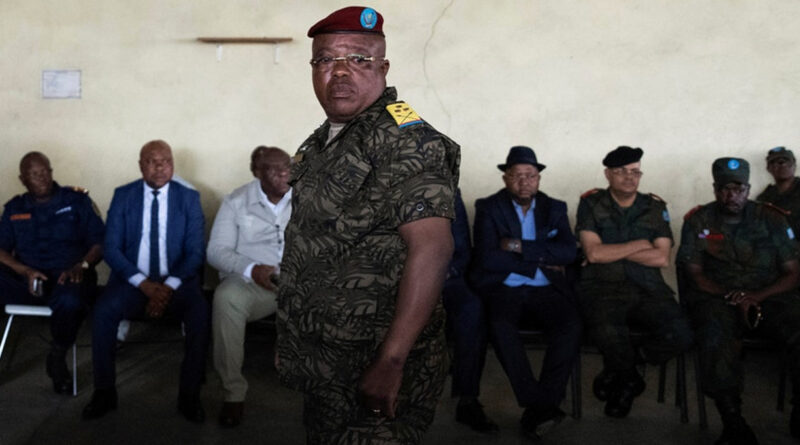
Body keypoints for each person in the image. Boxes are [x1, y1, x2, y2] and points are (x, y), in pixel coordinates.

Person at [275, 6, 460, 444]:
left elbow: (432, 248)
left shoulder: (406, 138)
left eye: (357, 58)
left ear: (383, 67)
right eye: (325, 60)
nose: (339, 72)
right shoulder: (324, 137)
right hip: (326, 360)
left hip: (375, 361)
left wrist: (392, 362)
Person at [82, 140, 209, 423]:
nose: (161, 166)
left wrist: (167, 287)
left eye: (166, 160)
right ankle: (104, 392)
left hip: (176, 283)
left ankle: (189, 396)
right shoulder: (123, 195)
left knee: (200, 313)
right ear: (141, 166)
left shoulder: (188, 198)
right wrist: (144, 284)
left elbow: (195, 252)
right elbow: (112, 249)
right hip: (132, 282)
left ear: (173, 164)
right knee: (103, 312)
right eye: (152, 161)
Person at [678, 157, 800, 444]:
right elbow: (694, 274)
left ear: (748, 188)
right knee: (714, 336)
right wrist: (731, 295)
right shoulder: (699, 219)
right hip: (719, 296)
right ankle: (732, 419)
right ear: (714, 188)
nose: (731, 195)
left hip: (769, 295)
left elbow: (794, 273)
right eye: (723, 189)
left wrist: (755, 296)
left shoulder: (772, 218)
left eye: (738, 189)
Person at [471, 146, 582, 440]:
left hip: (545, 288)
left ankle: (538, 408)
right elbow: (488, 258)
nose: (524, 182)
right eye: (517, 176)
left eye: (530, 176)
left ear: (539, 179)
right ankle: (539, 404)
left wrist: (518, 246)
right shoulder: (488, 207)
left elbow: (569, 252)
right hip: (505, 286)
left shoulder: (554, 208)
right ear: (506, 178)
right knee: (500, 326)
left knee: (570, 326)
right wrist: (543, 258)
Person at [575, 146, 693, 418]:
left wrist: (613, 250)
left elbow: (662, 258)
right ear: (608, 174)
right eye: (621, 172)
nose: (629, 178)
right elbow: (593, 252)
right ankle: (629, 383)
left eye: (635, 172)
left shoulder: (654, 207)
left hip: (648, 289)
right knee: (606, 331)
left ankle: (627, 367)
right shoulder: (592, 204)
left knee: (683, 335)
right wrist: (640, 244)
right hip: (603, 288)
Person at [0, 152, 104, 394]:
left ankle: (57, 356)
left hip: (69, 276)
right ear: (22, 179)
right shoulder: (15, 207)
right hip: (28, 280)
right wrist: (23, 270)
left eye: (46, 171)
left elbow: (100, 242)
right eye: (34, 175)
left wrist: (83, 264)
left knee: (71, 300)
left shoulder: (76, 201)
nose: (42, 178)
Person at [207, 146, 292, 427]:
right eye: (273, 169)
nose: (283, 174)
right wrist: (252, 269)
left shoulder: (307, 197)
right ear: (257, 173)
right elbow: (216, 251)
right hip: (255, 285)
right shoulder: (236, 201)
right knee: (226, 298)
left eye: (287, 167)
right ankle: (233, 394)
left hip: (299, 282)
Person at [442, 188, 497, 433]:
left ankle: (467, 399)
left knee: (472, 310)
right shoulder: (380, 184)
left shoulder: (448, 191)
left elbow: (462, 246)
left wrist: (447, 271)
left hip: (444, 278)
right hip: (395, 280)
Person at [756, 146, 800, 238]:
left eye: (785, 161)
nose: (782, 165)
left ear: (794, 165)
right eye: (774, 162)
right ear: (768, 168)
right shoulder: (765, 198)